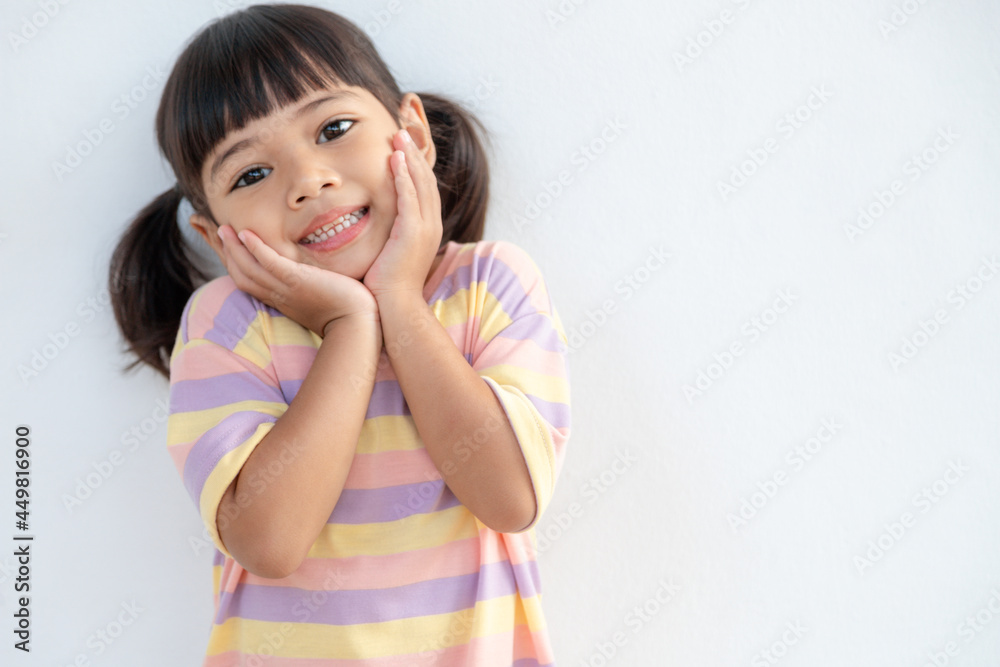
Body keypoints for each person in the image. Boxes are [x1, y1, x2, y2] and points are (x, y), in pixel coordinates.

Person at [107, 4, 571, 665]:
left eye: (334, 128)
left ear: (413, 134)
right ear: (215, 236)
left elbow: (510, 497)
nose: (308, 181)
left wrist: (399, 301)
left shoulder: (490, 285)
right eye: (251, 174)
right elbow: (270, 542)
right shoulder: (227, 323)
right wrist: (350, 326)